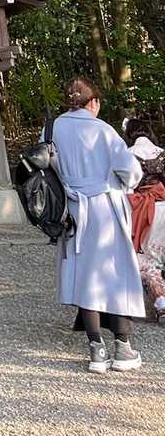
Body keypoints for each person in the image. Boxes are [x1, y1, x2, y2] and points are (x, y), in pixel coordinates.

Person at [51, 76, 145, 373]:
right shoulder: (102, 130)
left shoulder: (53, 128)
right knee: (115, 273)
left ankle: (96, 348)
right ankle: (123, 347)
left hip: (72, 209)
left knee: (85, 276)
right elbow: (130, 171)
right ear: (93, 102)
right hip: (104, 207)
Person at [123, 117, 165, 324]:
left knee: (147, 260)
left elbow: (125, 186)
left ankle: (161, 303)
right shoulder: (162, 152)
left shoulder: (128, 155)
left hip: (143, 210)